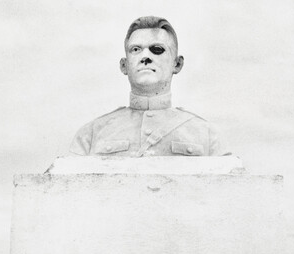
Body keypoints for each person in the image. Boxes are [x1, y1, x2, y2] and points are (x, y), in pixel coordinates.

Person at [69, 16, 229, 157]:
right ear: (124, 65)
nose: (145, 57)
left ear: (177, 64)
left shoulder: (209, 136)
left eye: (157, 49)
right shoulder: (90, 136)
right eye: (136, 49)